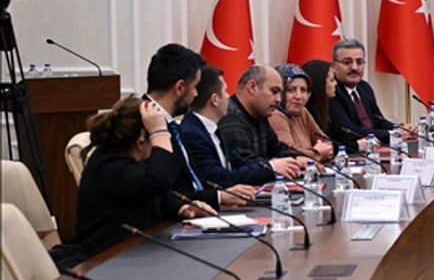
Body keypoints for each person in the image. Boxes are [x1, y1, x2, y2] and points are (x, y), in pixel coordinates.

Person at [74, 97, 216, 258]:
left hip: (134, 253)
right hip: (103, 260)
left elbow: (154, 194)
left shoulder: (131, 162)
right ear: (141, 141)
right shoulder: (108, 166)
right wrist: (160, 133)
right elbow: (159, 181)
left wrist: (182, 209)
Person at [143, 44, 235, 209]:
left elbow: (191, 184)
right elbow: (159, 192)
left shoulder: (172, 124)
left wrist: (219, 196)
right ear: (179, 87)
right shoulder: (143, 124)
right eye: (194, 87)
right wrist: (217, 197)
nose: (196, 94)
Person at [180, 65, 285, 189]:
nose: (228, 96)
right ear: (214, 100)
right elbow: (219, 178)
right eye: (225, 91)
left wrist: (276, 164)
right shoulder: (193, 133)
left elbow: (239, 162)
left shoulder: (214, 130)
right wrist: (271, 167)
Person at [216, 66, 304, 177]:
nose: (278, 99)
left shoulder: (259, 113)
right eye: (274, 91)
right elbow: (242, 165)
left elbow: (277, 148)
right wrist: (273, 165)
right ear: (252, 87)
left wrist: (297, 159)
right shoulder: (230, 117)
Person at [330, 38, 414, 143]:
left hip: (376, 147)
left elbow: (379, 121)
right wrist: (394, 134)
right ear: (333, 67)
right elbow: (350, 131)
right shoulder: (332, 91)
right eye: (347, 62)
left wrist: (401, 129)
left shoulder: (364, 87)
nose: (354, 67)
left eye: (359, 62)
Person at [269, 64, 336, 161]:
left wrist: (322, 151)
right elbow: (288, 153)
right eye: (291, 90)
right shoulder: (275, 114)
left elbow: (326, 143)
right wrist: (316, 153)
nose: (299, 96)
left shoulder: (302, 111)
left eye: (303, 90)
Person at [302, 58, 366, 153]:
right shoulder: (307, 112)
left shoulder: (326, 107)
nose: (335, 84)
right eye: (332, 80)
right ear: (320, 84)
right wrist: (356, 146)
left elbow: (339, 136)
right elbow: (326, 145)